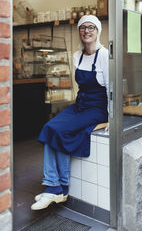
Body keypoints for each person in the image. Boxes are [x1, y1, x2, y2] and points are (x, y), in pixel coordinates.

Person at [31, 15, 109, 210]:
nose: (87, 31)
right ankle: (56, 186)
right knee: (50, 128)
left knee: (59, 130)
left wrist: (112, 118)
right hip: (80, 104)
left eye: (91, 27)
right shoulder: (77, 55)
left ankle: (56, 187)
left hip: (97, 108)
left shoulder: (104, 55)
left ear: (97, 31)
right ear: (79, 32)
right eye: (83, 28)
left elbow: (111, 89)